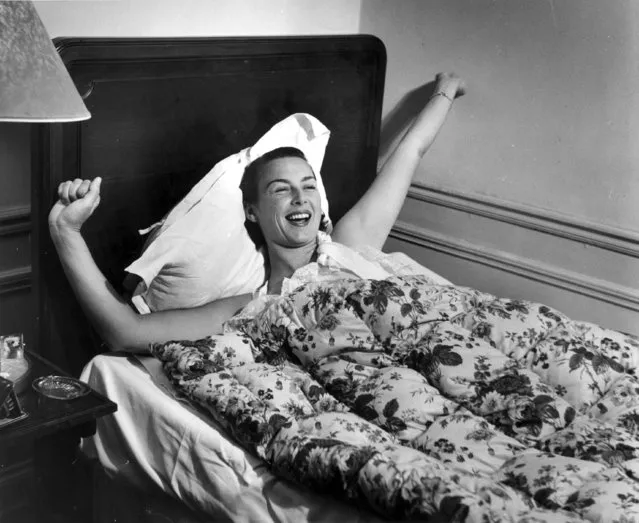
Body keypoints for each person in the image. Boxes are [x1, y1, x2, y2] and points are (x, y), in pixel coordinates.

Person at [48, 73, 466, 354]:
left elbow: (410, 152)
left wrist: (446, 89)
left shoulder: (351, 245)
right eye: (281, 191)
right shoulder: (252, 305)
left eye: (308, 188)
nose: (300, 199)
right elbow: (124, 332)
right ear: (252, 212)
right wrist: (67, 232)